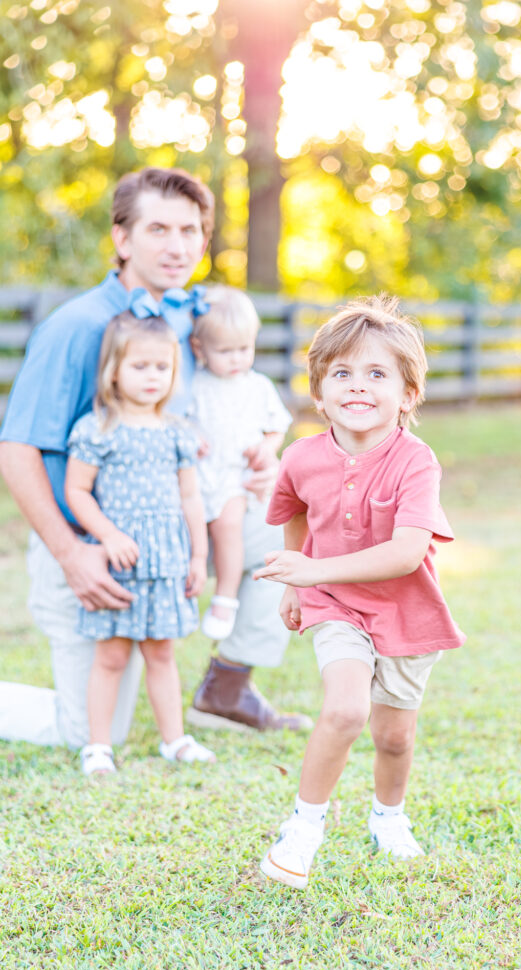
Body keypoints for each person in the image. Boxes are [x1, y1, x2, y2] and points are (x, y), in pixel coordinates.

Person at [0, 165, 309, 751]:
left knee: (289, 536)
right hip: (92, 548)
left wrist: (263, 457)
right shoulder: (76, 328)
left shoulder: (190, 320)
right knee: (88, 729)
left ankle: (228, 687)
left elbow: (228, 401)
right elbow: (16, 451)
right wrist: (72, 554)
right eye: (158, 229)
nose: (178, 247)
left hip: (172, 536)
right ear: (122, 238)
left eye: (190, 231)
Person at [254, 295, 466, 889]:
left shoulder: (416, 462)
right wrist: (298, 581)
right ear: (319, 393)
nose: (358, 386)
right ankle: (302, 831)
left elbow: (405, 554)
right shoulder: (301, 457)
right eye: (342, 373)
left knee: (394, 737)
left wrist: (310, 570)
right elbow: (296, 510)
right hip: (335, 604)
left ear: (408, 394)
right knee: (345, 709)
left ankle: (388, 818)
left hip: (406, 610)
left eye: (377, 374)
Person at [66, 312, 215, 774]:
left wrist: (198, 556)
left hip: (167, 559)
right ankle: (98, 746)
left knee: (161, 652)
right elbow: (77, 491)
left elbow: (190, 497)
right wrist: (108, 535)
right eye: (140, 366)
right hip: (120, 561)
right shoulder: (97, 429)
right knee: (111, 655)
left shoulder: (177, 432)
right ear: (114, 370)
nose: (153, 376)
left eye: (162, 367)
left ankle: (174, 740)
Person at [188, 285, 292, 641]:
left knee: (228, 525)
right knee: (190, 531)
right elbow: (177, 419)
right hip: (195, 477)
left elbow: (277, 426)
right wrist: (189, 434)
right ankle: (188, 589)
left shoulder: (257, 386)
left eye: (244, 349)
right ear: (199, 348)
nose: (236, 359)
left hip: (233, 477)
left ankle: (225, 597)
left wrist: (266, 446)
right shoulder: (194, 385)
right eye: (225, 351)